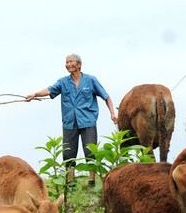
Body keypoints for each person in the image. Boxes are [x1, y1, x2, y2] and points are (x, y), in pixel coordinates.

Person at [25, 53, 117, 186]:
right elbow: (50, 90)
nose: (68, 64)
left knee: (90, 152)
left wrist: (112, 113)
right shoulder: (63, 82)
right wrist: (35, 94)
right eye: (66, 62)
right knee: (68, 153)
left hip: (88, 121)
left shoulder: (91, 80)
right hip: (69, 122)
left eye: (71, 62)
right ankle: (71, 183)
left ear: (79, 65)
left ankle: (92, 181)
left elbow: (106, 96)